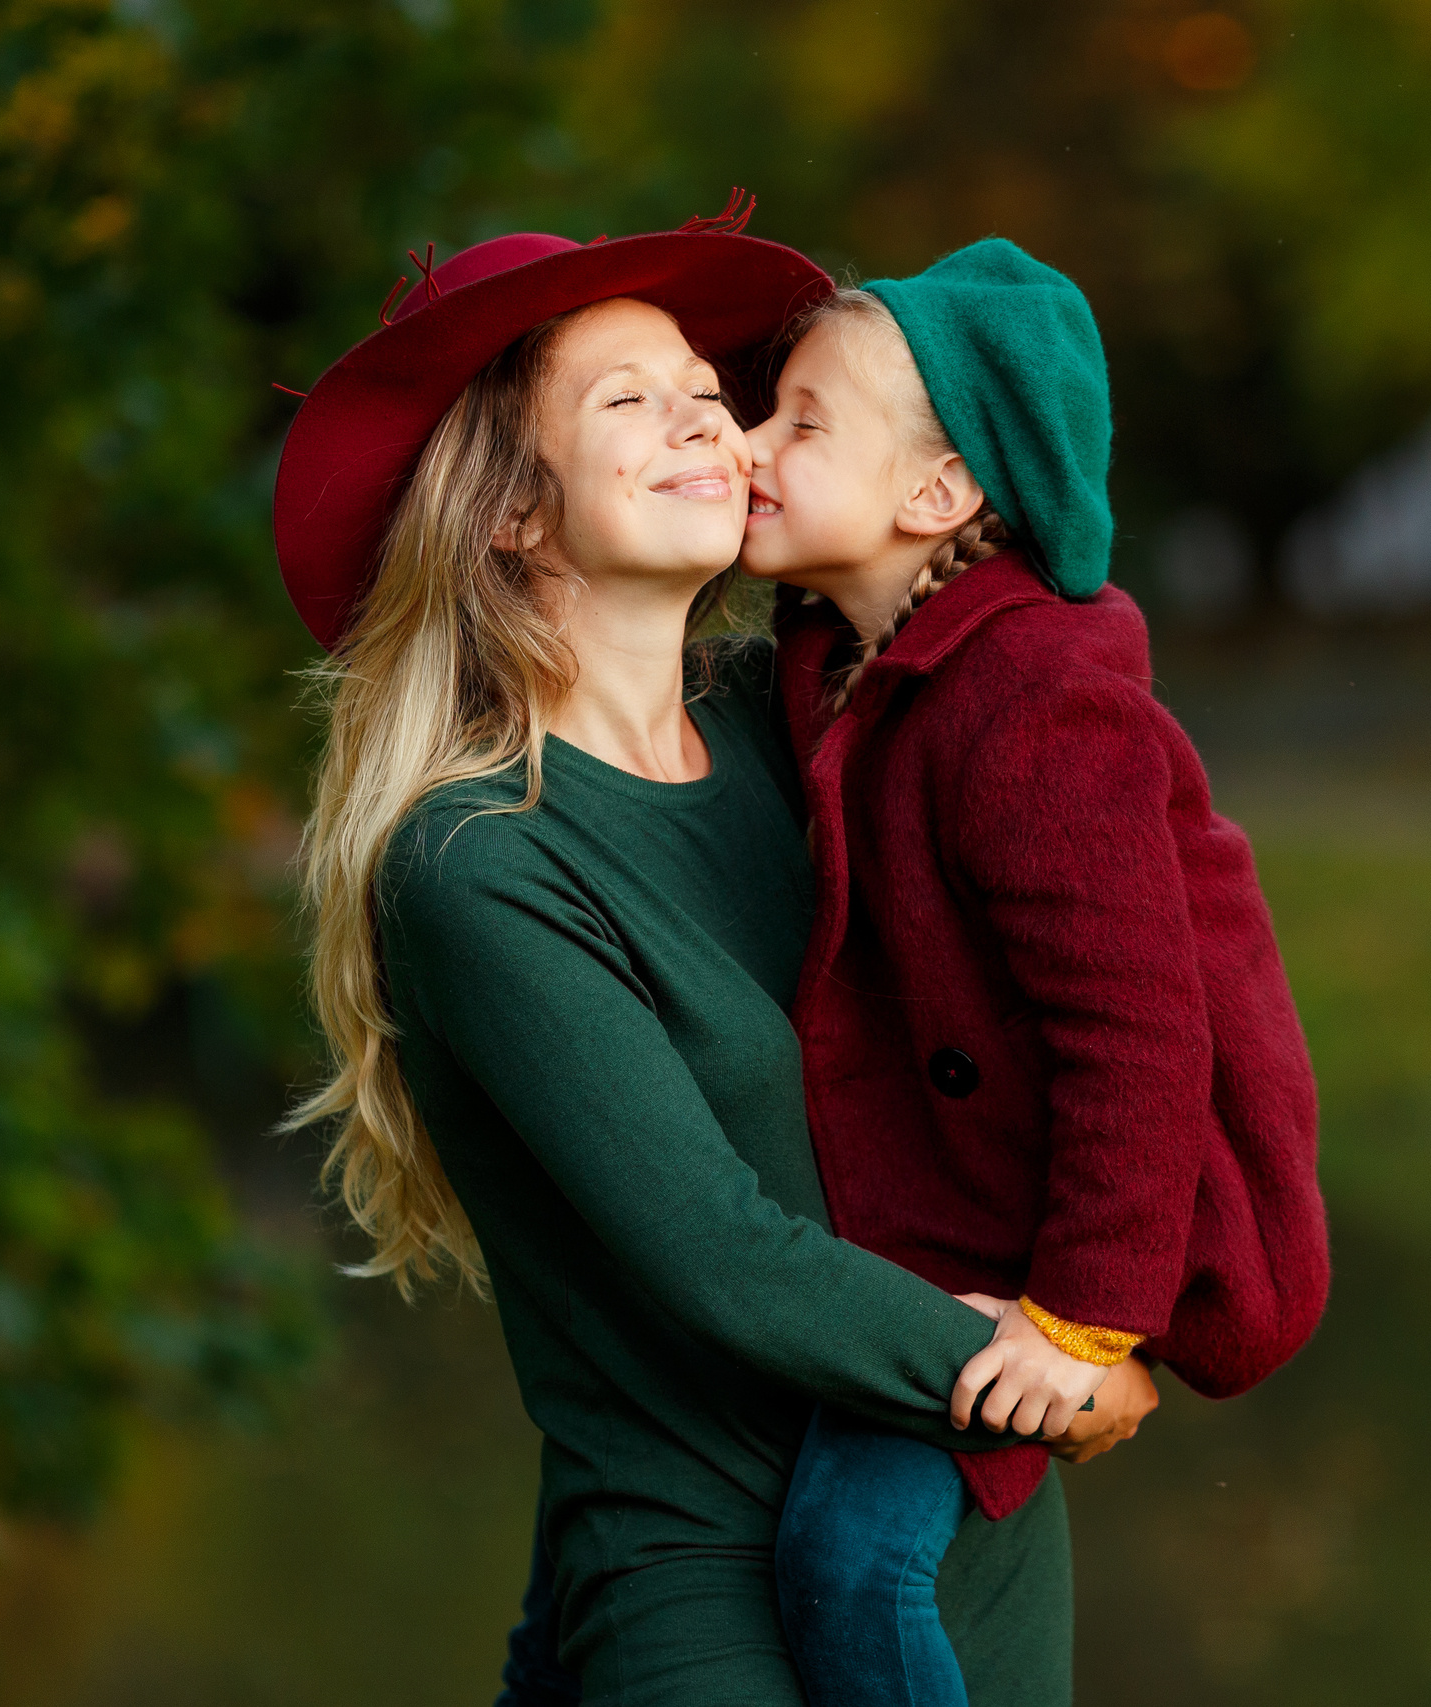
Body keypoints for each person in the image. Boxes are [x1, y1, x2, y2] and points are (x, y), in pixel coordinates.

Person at [274, 225, 1152, 1707]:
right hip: (703, 1575)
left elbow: (1103, 965)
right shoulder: (479, 861)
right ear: (514, 518)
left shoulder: (813, 724)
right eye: (630, 401)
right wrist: (1055, 1375)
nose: (710, 420)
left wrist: (1120, 1305)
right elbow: (719, 1254)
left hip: (964, 1514)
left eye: (705, 389)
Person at [732, 239, 1332, 1707]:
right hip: (948, 1211)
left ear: (933, 498)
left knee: (850, 1557)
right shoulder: (834, 654)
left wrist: (1081, 1322)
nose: (745, 444)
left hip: (1057, 1247)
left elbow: (1139, 1029)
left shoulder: (1037, 707)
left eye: (800, 422)